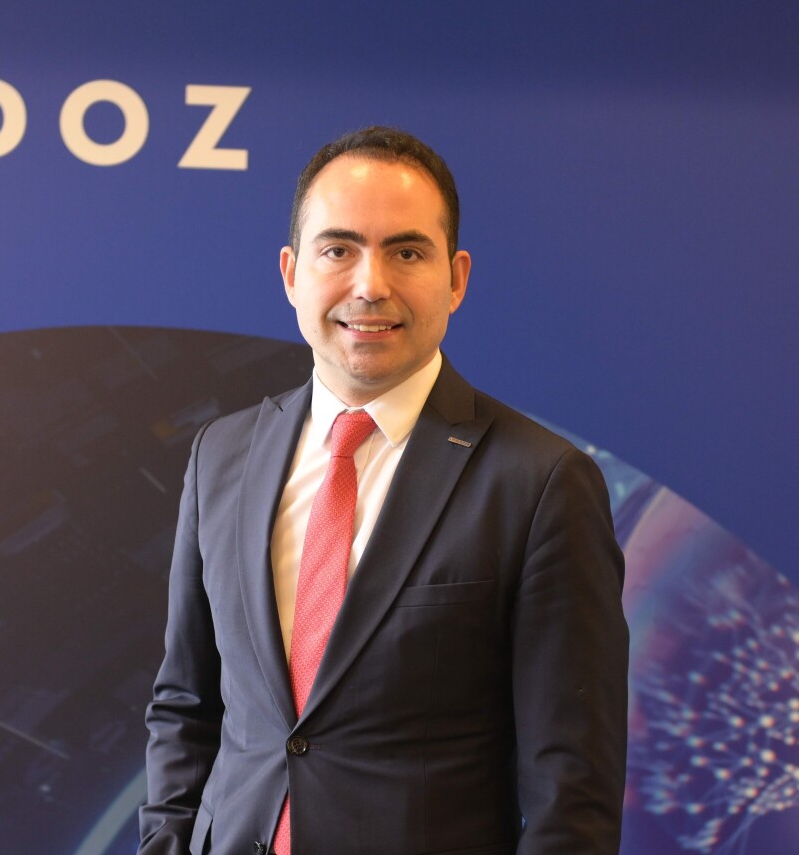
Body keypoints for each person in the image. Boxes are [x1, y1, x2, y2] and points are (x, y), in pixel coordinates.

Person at [138, 126, 628, 855]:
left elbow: (573, 788)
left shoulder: (540, 482)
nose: (370, 285)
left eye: (406, 252)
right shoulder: (222, 455)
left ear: (456, 279)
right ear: (291, 274)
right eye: (338, 250)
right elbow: (186, 703)